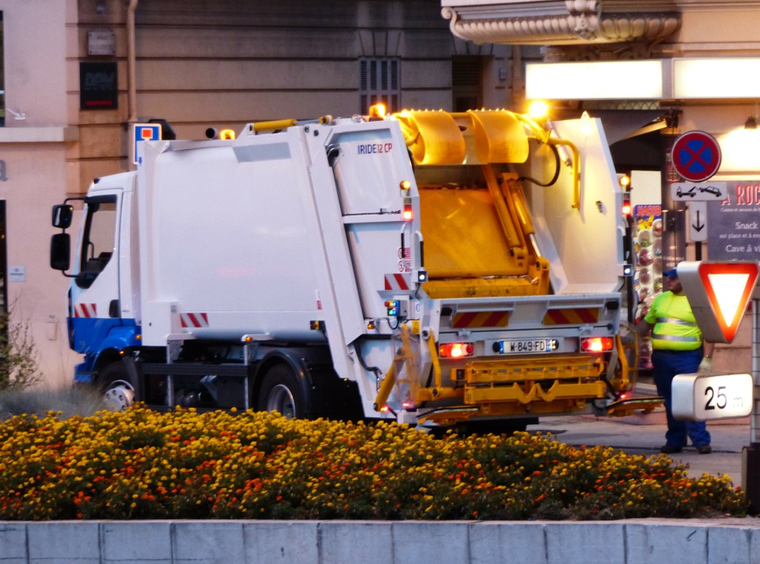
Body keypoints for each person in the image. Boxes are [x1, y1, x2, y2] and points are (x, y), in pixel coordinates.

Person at [637, 266, 714, 454]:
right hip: (662, 359)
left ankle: (701, 441)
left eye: (673, 278)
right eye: (667, 278)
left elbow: (708, 333)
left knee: (690, 399)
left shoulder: (697, 302)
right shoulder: (662, 299)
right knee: (670, 401)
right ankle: (675, 440)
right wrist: (630, 338)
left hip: (687, 357)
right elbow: (647, 324)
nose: (668, 281)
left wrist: (707, 359)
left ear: (685, 280)